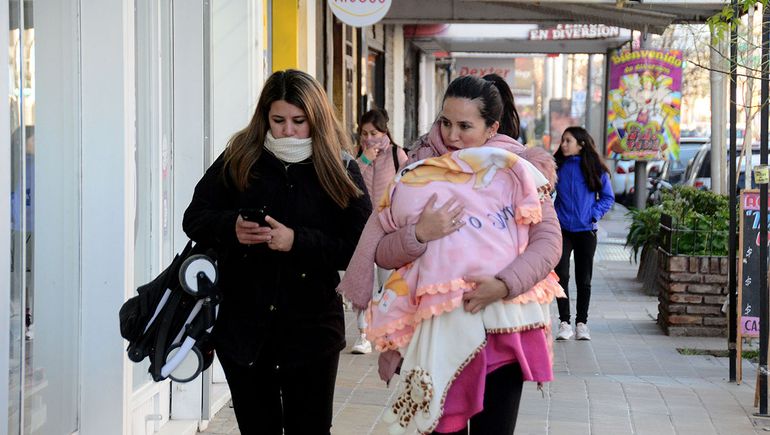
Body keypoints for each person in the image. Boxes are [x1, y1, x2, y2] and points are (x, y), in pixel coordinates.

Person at [339, 75, 563, 435]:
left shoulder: (519, 169)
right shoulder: (418, 171)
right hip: (436, 329)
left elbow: (549, 242)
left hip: (502, 326)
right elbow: (383, 252)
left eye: (465, 126)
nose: (452, 136)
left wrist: (503, 285)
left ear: (491, 128)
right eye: (446, 122)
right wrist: (419, 234)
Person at [183, 69, 371, 435]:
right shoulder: (240, 156)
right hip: (245, 331)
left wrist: (297, 241)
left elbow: (359, 247)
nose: (288, 131)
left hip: (312, 332)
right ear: (264, 117)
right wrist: (231, 226)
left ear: (315, 118)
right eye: (279, 120)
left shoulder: (339, 165)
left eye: (299, 122)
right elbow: (195, 218)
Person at [351, 108, 408, 355]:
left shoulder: (397, 155)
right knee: (364, 280)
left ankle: (384, 329)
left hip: (387, 229)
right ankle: (363, 335)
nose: (369, 137)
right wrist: (364, 160)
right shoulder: (358, 157)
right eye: (364, 133)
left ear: (384, 131)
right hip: (362, 228)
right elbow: (348, 185)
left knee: (386, 285)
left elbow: (407, 187)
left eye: (373, 132)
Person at [553, 126, 614, 341]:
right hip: (562, 229)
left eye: (568, 140)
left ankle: (581, 323)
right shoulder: (556, 167)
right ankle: (564, 323)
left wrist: (593, 215)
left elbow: (607, 197)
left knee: (583, 279)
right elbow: (544, 191)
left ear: (581, 144)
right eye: (562, 140)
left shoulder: (595, 168)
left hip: (586, 230)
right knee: (561, 276)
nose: (563, 145)